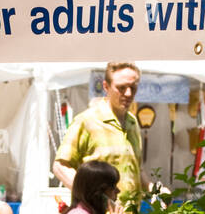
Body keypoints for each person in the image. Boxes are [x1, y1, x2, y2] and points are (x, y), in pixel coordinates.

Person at [53, 61, 149, 205]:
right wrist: (93, 200)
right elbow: (60, 167)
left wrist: (156, 191)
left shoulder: (133, 123)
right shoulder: (87, 121)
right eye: (121, 88)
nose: (128, 93)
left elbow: (137, 171)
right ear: (106, 86)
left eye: (133, 87)